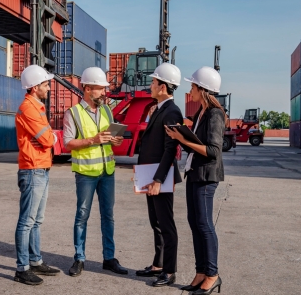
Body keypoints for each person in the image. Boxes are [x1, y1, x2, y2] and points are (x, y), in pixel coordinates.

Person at [165, 66, 226, 295]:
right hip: (195, 173)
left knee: (204, 225)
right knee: (194, 223)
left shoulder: (214, 114)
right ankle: (201, 272)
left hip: (206, 177)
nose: (190, 89)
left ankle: (213, 274)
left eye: (193, 86)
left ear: (203, 89)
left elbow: (212, 151)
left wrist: (183, 138)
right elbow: (195, 146)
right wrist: (179, 136)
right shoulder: (201, 113)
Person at [62, 67, 126, 277]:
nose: (103, 92)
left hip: (107, 171)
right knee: (82, 215)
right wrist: (93, 140)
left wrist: (116, 140)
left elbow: (113, 140)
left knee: (108, 216)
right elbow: (67, 144)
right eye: (100, 89)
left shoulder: (107, 110)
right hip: (86, 174)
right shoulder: (73, 113)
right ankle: (79, 258)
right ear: (88, 89)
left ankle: (109, 258)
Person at [135, 63, 184, 287]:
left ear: (163, 87)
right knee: (155, 222)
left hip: (159, 178)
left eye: (154, 82)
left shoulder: (172, 111)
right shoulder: (159, 108)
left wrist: (158, 180)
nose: (151, 85)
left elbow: (169, 149)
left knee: (166, 224)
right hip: (149, 175)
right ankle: (158, 265)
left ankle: (170, 270)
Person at [13, 65, 61, 285]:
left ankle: (35, 261)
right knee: (27, 221)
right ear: (34, 87)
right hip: (33, 170)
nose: (49, 88)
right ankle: (22, 268)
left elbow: (48, 138)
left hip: (41, 168)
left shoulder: (37, 107)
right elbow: (49, 140)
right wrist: (51, 136)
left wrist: (50, 136)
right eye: (45, 84)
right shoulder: (29, 108)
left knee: (37, 221)